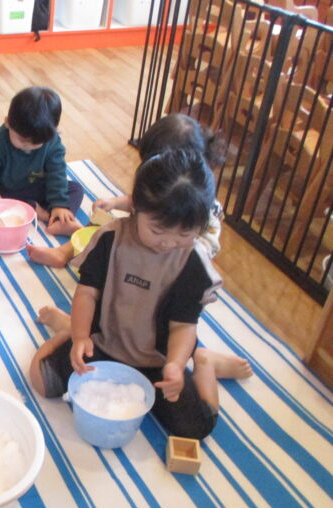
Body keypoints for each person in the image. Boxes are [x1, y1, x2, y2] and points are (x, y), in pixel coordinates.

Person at [29, 149, 252, 440]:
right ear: (135, 207)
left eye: (185, 234)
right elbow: (87, 294)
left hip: (156, 362)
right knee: (41, 382)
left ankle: (206, 362)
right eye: (158, 230)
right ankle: (68, 329)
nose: (169, 242)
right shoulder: (111, 239)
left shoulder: (192, 263)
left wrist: (173, 365)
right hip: (104, 344)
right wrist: (81, 336)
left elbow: (183, 326)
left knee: (197, 428)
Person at [28, 113, 226, 267]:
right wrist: (115, 202)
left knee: (109, 241)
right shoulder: (158, 186)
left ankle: (78, 234)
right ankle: (66, 250)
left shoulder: (203, 207)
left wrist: (177, 248)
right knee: (105, 228)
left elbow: (206, 247)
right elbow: (140, 201)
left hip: (162, 259)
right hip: (140, 241)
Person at [0, 86, 84, 236]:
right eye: (22, 140)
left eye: (37, 143)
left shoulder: (52, 142)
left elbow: (57, 173)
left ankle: (59, 220)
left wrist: (59, 204)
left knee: (75, 188)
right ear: (7, 122)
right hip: (6, 190)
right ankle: (39, 212)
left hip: (38, 188)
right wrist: (0, 206)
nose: (28, 146)